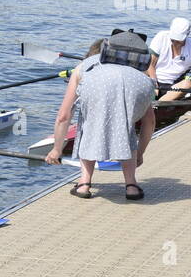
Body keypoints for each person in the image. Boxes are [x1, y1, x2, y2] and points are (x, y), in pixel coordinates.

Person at [46, 30, 156, 200]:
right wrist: (140, 153)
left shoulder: (84, 66)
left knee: (88, 124)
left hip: (96, 84)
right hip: (142, 85)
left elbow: (64, 115)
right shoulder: (137, 70)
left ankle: (84, 184)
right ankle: (131, 186)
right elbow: (149, 122)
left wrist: (57, 149)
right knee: (127, 127)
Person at [147, 16, 191, 101]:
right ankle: (155, 102)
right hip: (154, 80)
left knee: (190, 81)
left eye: (178, 41)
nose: (175, 43)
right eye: (173, 40)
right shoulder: (161, 36)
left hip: (174, 86)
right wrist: (154, 83)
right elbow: (150, 64)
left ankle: (157, 105)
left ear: (188, 34)